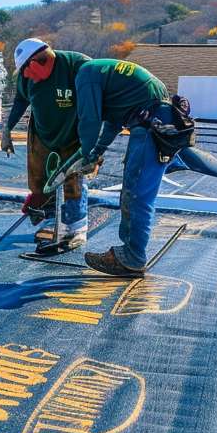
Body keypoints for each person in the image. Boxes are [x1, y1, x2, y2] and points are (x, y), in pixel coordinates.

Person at [67, 58, 173, 277]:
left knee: (136, 194)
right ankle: (132, 253)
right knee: (135, 190)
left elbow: (90, 120)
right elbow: (114, 122)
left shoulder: (85, 75)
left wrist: (85, 153)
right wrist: (97, 151)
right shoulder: (104, 75)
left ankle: (132, 258)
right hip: (154, 116)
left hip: (150, 123)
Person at [1, 38, 92, 254]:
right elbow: (20, 100)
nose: (26, 75)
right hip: (42, 134)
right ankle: (50, 219)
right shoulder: (27, 77)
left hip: (73, 135)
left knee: (72, 181)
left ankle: (75, 227)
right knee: (40, 181)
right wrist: (7, 129)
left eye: (27, 70)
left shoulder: (77, 67)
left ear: (40, 60)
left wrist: (92, 144)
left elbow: (98, 103)